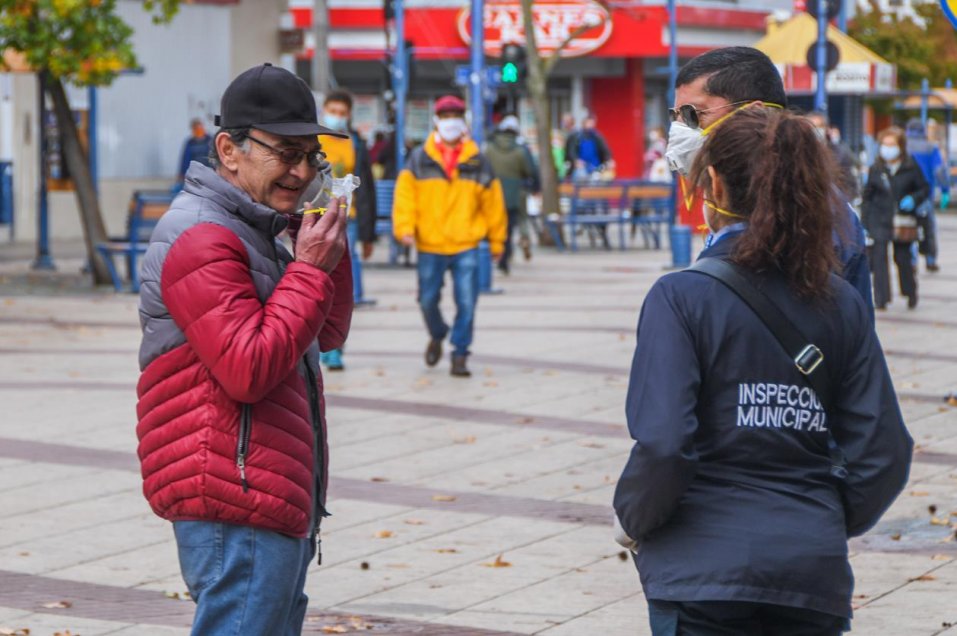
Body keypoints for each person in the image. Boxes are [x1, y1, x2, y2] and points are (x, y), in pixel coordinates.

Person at [614, 107, 912, 636]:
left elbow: (663, 443)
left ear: (715, 186)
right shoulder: (839, 301)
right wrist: (816, 518)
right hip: (808, 572)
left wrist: (635, 519)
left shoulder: (680, 297)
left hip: (699, 574)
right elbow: (884, 450)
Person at [136, 63, 353, 635]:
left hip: (268, 487)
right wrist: (307, 268)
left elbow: (326, 333)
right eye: (286, 153)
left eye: (313, 157)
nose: (301, 171)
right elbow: (248, 370)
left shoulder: (261, 230)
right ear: (229, 150)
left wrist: (328, 244)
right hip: (235, 495)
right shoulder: (201, 236)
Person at [663, 46, 874, 317]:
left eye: (694, 114)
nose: (680, 131)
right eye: (676, 117)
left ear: (754, 113)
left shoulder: (807, 207)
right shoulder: (730, 195)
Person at [392, 95, 507, 377]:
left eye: (455, 115)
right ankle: (438, 331)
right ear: (436, 120)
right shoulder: (419, 158)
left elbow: (493, 203)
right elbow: (405, 195)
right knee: (427, 300)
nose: (450, 122)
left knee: (467, 301)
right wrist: (404, 228)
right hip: (430, 243)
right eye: (445, 116)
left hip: (467, 243)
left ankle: (460, 353)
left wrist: (497, 240)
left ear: (463, 120)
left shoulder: (478, 160)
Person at [315, 89, 378, 371]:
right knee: (314, 283)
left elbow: (367, 190)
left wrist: (368, 234)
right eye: (332, 111)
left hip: (345, 220)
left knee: (341, 284)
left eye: (342, 113)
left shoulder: (356, 144)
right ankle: (315, 342)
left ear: (348, 115)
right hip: (312, 218)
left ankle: (336, 347)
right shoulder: (310, 141)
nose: (336, 117)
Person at [862, 126, 930, 310]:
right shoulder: (876, 167)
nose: (887, 148)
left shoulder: (910, 165)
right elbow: (867, 196)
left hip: (902, 220)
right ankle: (881, 298)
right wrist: (865, 222)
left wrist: (913, 199)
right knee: (879, 259)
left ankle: (910, 292)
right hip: (879, 218)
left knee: (903, 259)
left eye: (891, 144)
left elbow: (924, 188)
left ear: (900, 146)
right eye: (884, 144)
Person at [485, 114, 538, 273]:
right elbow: (530, 171)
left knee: (493, 226)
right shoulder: (520, 151)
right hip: (514, 194)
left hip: (492, 194)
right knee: (509, 227)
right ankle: (507, 256)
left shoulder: (490, 149)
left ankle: (492, 255)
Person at [906, 118, 948, 272]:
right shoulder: (931, 148)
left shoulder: (904, 147)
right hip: (926, 195)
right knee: (928, 229)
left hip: (906, 195)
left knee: (909, 227)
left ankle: (911, 261)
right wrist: (944, 190)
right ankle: (930, 260)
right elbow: (939, 171)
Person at [807, 111, 860, 201]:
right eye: (811, 127)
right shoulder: (798, 152)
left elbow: (850, 183)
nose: (815, 130)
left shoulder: (839, 152)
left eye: (819, 126)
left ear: (826, 129)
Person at [565, 113, 614, 179]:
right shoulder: (576, 136)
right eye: (588, 122)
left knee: (603, 177)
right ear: (583, 123)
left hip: (597, 167)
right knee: (581, 176)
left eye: (591, 123)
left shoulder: (597, 136)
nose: (590, 125)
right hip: (581, 167)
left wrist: (608, 160)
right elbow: (571, 151)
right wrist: (575, 160)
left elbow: (605, 149)